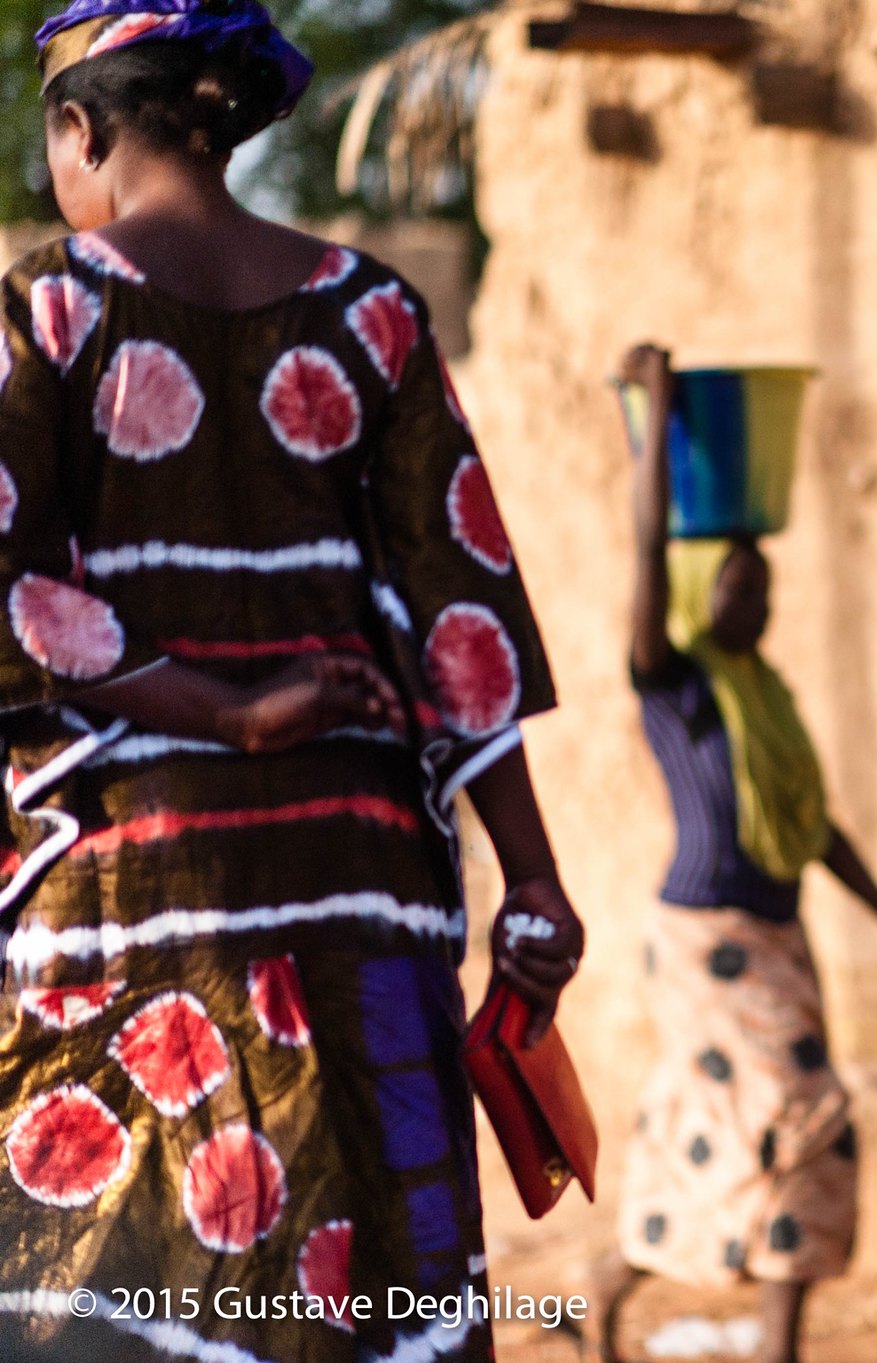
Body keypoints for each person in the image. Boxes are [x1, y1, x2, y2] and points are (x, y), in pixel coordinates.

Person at [0, 3, 581, 1359]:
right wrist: (536, 881)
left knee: (119, 1304)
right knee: (376, 1280)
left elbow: (11, 586)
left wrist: (219, 710)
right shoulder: (372, 311)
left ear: (79, 128)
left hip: (133, 905)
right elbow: (462, 617)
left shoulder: (46, 304)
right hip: (362, 888)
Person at [606, 343, 877, 1363]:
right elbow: (641, 556)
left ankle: (612, 1280)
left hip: (775, 933)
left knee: (723, 1122)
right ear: (703, 587)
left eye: (764, 589)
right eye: (737, 586)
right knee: (804, 1117)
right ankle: (775, 1341)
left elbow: (818, 833)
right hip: (705, 937)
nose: (756, 604)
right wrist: (658, 418)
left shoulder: (770, 700)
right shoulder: (672, 681)